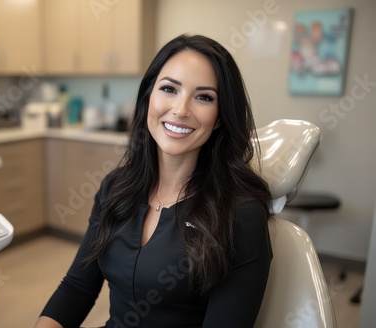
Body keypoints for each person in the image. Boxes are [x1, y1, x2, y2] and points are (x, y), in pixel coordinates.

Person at [34, 34, 273, 328]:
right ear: (149, 97)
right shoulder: (115, 188)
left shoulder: (240, 214)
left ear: (221, 116)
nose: (181, 109)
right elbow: (77, 288)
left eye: (203, 97)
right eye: (169, 89)